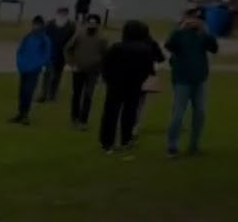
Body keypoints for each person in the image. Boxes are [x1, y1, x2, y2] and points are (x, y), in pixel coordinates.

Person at [164, 10, 219, 157]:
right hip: (182, 79)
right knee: (178, 113)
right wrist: (180, 29)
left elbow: (214, 48)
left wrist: (205, 32)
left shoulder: (202, 35)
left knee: (200, 112)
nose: (193, 21)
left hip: (200, 79)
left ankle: (194, 144)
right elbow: (168, 45)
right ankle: (172, 145)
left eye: (196, 19)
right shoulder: (178, 34)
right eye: (190, 18)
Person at [99, 20, 159, 153]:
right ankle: (126, 139)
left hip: (115, 84)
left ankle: (107, 142)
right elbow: (149, 69)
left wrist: (108, 79)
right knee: (130, 112)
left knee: (110, 113)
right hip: (134, 84)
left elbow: (106, 65)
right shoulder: (145, 50)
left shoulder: (116, 47)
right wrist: (140, 79)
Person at [65, 14, 108, 130]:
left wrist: (102, 72)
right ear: (87, 23)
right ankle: (74, 117)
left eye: (94, 23)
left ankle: (83, 120)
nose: (91, 25)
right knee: (77, 94)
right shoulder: (79, 35)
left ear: (98, 25)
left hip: (93, 72)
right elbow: (68, 49)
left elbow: (106, 56)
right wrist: (72, 64)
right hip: (78, 70)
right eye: (90, 23)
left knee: (88, 95)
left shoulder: (102, 38)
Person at [11, 16, 52, 124]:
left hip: (34, 70)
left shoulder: (44, 39)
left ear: (42, 26)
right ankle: (20, 113)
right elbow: (20, 51)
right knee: (22, 92)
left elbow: (47, 55)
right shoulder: (28, 37)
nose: (35, 26)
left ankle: (26, 115)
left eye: (38, 25)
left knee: (28, 92)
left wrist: (37, 65)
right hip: (24, 69)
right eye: (34, 24)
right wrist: (20, 63)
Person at [131, 28, 165, 141]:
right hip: (146, 75)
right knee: (140, 102)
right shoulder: (151, 43)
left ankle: (125, 124)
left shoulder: (130, 42)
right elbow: (161, 58)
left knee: (130, 101)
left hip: (130, 75)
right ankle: (135, 126)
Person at [40, 7, 76, 103]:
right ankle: (44, 95)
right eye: (61, 13)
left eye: (64, 13)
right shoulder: (49, 25)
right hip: (50, 54)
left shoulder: (71, 26)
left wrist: (70, 55)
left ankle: (52, 95)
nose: (62, 15)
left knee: (57, 75)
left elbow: (73, 42)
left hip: (62, 55)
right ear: (57, 13)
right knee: (48, 75)